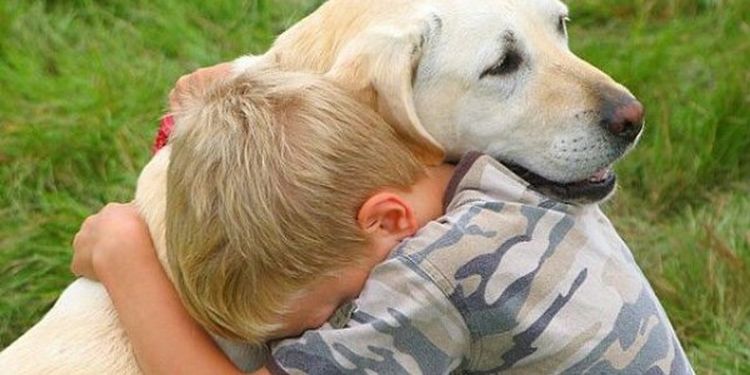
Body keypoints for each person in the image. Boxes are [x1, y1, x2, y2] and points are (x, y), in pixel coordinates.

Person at [72, 67, 694, 374]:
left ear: (387, 219)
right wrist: (237, 96)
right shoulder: (495, 174)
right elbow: (321, 129)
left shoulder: (431, 280)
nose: (321, 337)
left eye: (333, 310)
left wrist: (124, 255)